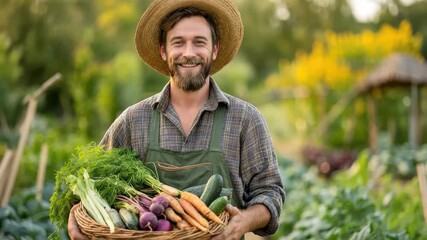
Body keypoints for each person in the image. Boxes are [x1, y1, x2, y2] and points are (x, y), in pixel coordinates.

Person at [68, 0, 285, 239]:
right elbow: (91, 182)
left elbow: (270, 192)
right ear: (164, 51)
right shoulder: (133, 120)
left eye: (199, 42)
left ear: (214, 49)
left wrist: (244, 221)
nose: (189, 53)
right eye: (178, 42)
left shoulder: (246, 119)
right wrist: (74, 221)